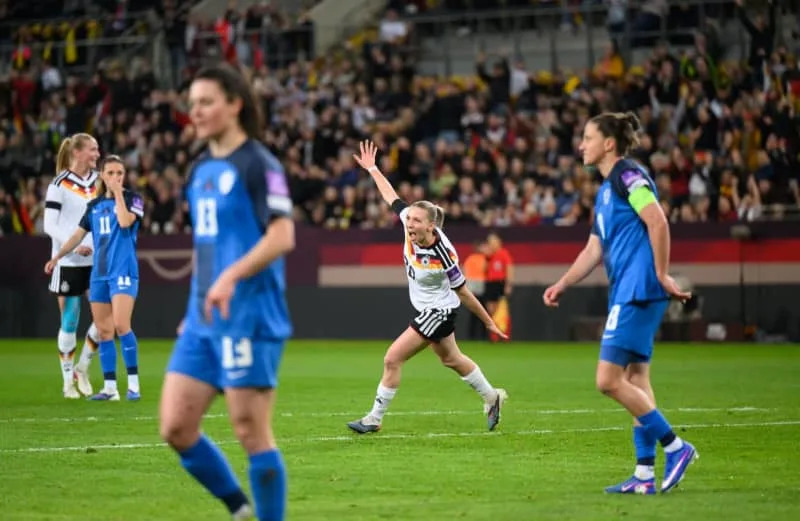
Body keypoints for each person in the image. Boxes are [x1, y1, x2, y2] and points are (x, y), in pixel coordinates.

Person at [158, 63, 295, 521]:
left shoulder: (262, 164)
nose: (195, 112)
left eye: (206, 102)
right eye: (192, 103)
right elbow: (207, 248)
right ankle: (239, 510)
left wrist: (230, 278)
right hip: (204, 317)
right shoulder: (200, 170)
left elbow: (282, 237)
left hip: (250, 314)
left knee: (250, 431)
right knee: (176, 426)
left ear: (234, 104)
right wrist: (197, 301)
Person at [543, 112, 697, 495]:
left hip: (638, 288)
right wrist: (562, 283)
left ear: (608, 143)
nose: (581, 145)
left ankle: (676, 447)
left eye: (588, 137)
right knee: (636, 379)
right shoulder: (605, 191)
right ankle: (645, 476)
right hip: (630, 289)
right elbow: (594, 248)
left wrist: (661, 274)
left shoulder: (628, 175)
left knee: (607, 380)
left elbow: (657, 220)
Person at [347, 140, 508, 435]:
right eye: (409, 218)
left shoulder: (443, 254)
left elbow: (464, 292)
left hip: (440, 311)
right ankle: (491, 396)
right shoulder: (408, 224)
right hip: (429, 308)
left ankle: (374, 418)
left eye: (417, 220)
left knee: (392, 358)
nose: (409, 223)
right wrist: (372, 169)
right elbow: (391, 196)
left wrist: (489, 322)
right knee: (451, 358)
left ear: (431, 226)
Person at [46, 155, 144, 401]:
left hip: (123, 271)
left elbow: (124, 222)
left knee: (122, 325)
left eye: (119, 173)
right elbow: (77, 236)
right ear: (102, 175)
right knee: (104, 330)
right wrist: (57, 257)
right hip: (99, 275)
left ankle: (134, 385)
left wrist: (118, 193)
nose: (115, 177)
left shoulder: (134, 200)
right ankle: (110, 389)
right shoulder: (94, 207)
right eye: (110, 173)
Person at [43, 133, 102, 399]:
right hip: (69, 260)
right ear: (77, 153)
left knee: (104, 320)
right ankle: (68, 381)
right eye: (93, 150)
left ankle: (83, 367)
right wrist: (72, 245)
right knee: (71, 318)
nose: (97, 154)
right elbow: (49, 225)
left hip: (98, 259)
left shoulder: (100, 181)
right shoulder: (59, 184)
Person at [484, 232, 513, 341]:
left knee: (501, 309)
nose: (491, 244)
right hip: (490, 283)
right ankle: (494, 334)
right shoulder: (489, 256)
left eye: (493, 241)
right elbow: (484, 270)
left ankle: (504, 333)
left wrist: (508, 284)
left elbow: (509, 268)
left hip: (500, 283)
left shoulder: (504, 253)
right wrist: (487, 257)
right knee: (490, 309)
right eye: (489, 242)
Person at [462, 240, 488, 340]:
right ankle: (473, 335)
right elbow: (467, 273)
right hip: (475, 286)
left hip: (481, 285)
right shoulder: (473, 259)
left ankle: (481, 335)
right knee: (475, 313)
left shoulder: (483, 258)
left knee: (481, 312)